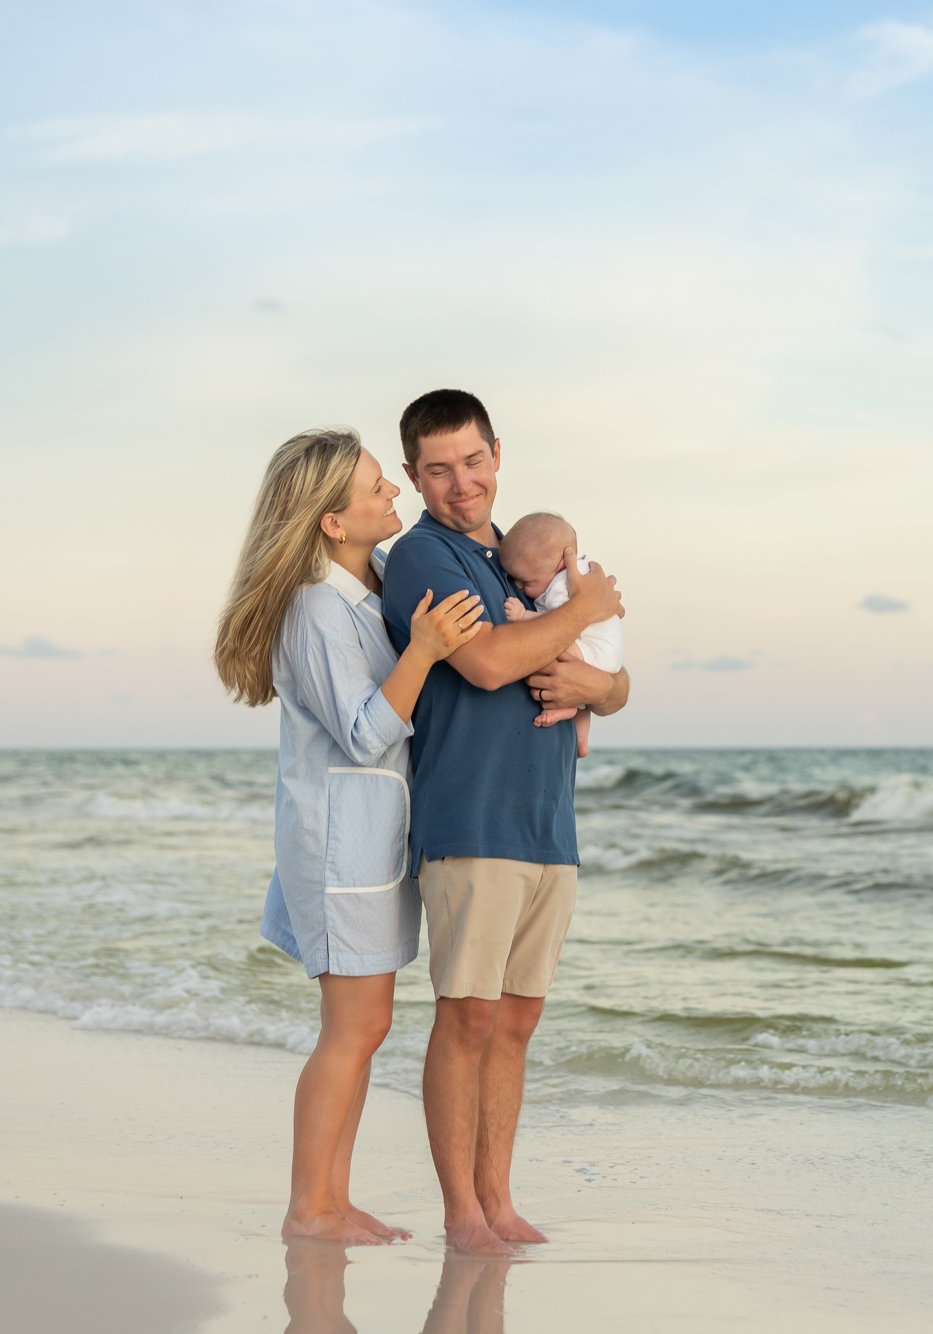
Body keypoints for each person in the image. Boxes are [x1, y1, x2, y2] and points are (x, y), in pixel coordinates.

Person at [213, 427, 485, 1246]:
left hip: (371, 843)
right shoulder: (315, 608)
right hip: (339, 846)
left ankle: (333, 1197)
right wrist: (430, 650)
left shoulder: (362, 598)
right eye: (376, 486)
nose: (393, 494)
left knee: (367, 1026)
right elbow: (367, 731)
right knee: (353, 1027)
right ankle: (310, 1206)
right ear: (333, 521)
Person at [381, 389, 630, 1255]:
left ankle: (499, 1198)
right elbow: (487, 663)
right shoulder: (421, 557)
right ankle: (463, 1211)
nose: (461, 484)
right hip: (470, 821)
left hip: (548, 825)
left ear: (497, 453)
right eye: (439, 470)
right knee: (469, 1019)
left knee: (517, 1023)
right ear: (414, 475)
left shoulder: (527, 558)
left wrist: (598, 682)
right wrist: (582, 612)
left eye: (474, 462)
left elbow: (614, 676)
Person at [498, 511, 625, 757]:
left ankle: (566, 709)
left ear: (558, 566)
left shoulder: (562, 584)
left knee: (552, 648)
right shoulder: (578, 572)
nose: (518, 587)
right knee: (583, 693)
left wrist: (524, 616)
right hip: (607, 656)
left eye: (526, 583)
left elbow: (557, 624)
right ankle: (582, 739)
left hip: (594, 651)